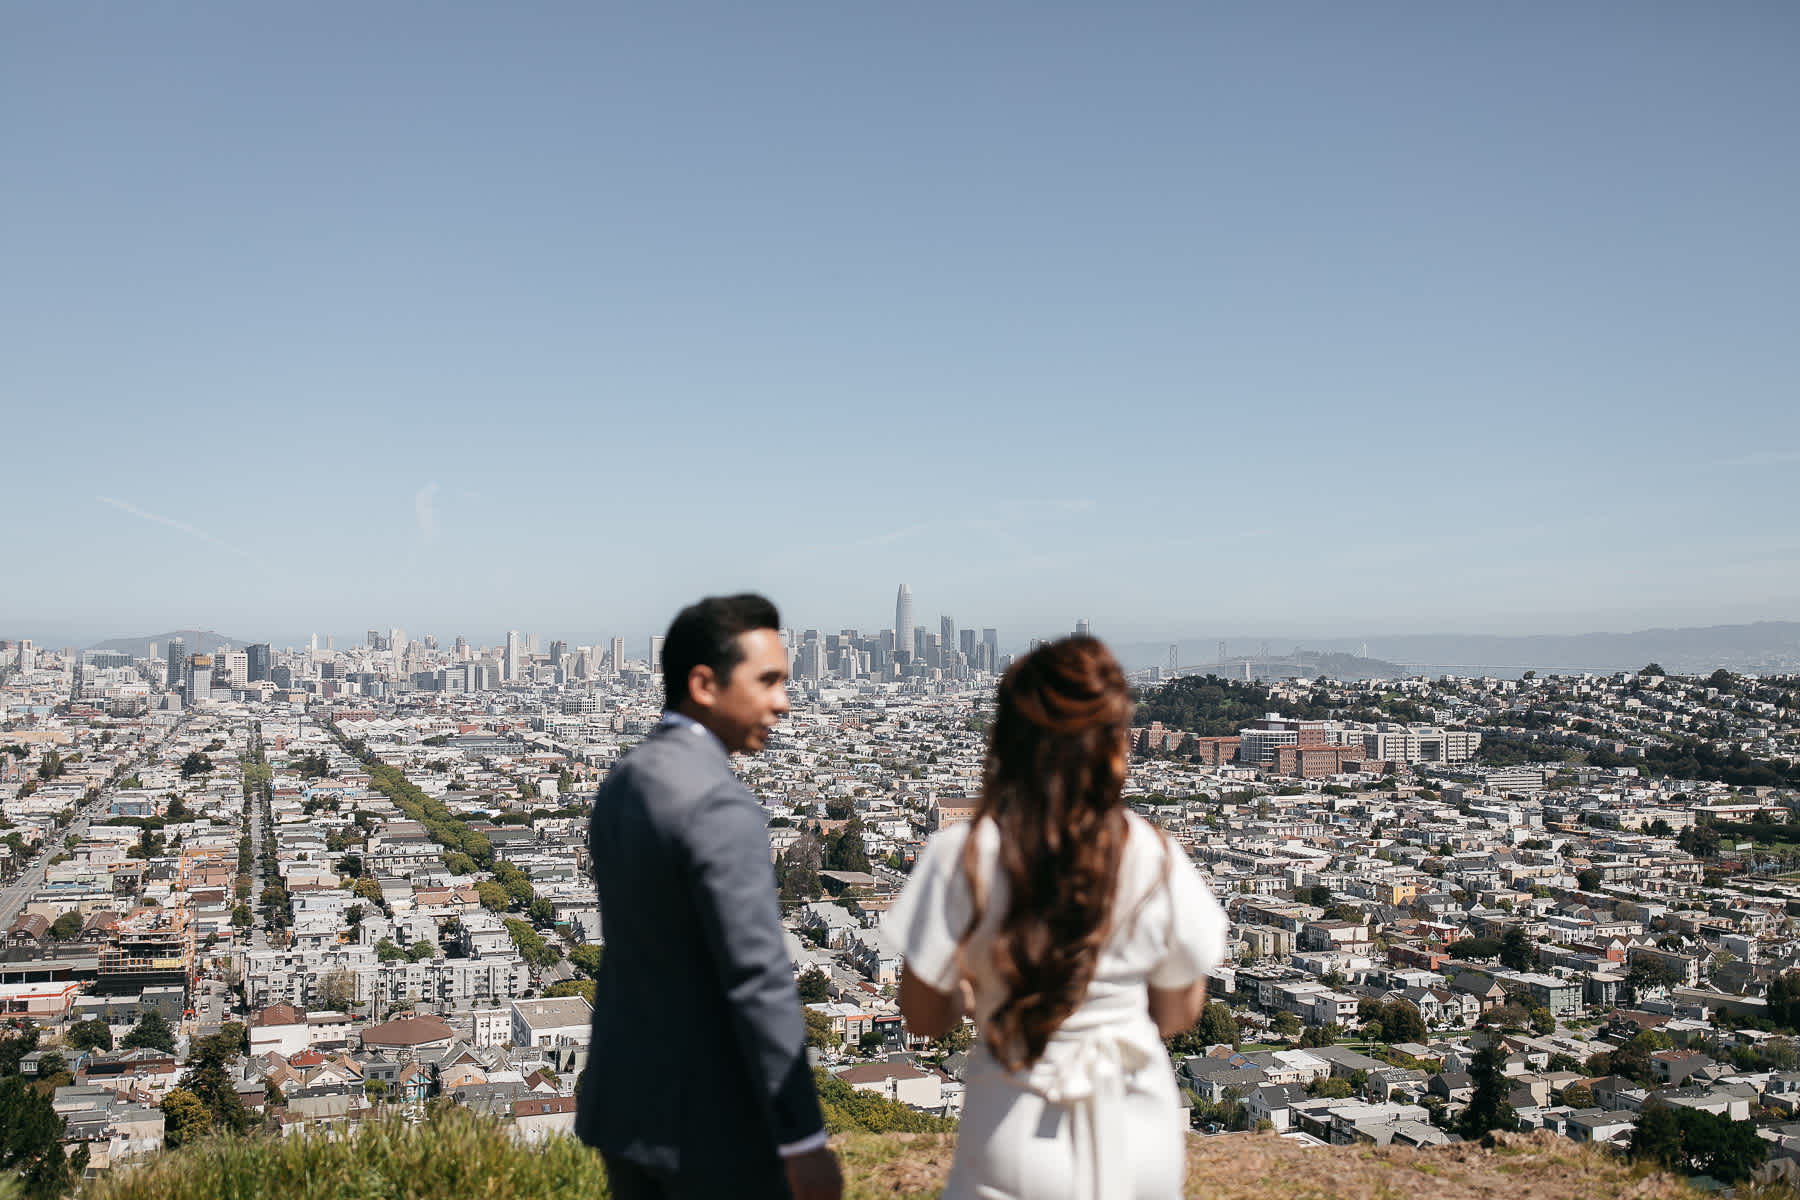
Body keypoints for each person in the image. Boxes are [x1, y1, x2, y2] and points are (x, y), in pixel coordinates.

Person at [884, 636, 1228, 1200]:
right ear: (1114, 743)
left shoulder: (964, 857)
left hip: (1014, 1127)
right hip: (1138, 1133)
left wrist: (983, 993)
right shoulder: (1156, 855)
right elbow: (1175, 1012)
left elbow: (923, 1016)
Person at [577, 594, 841, 1200]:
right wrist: (802, 1139)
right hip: (709, 1127)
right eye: (768, 681)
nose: (784, 701)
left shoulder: (626, 778)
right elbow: (758, 980)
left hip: (624, 1108)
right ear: (704, 683)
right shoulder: (718, 805)